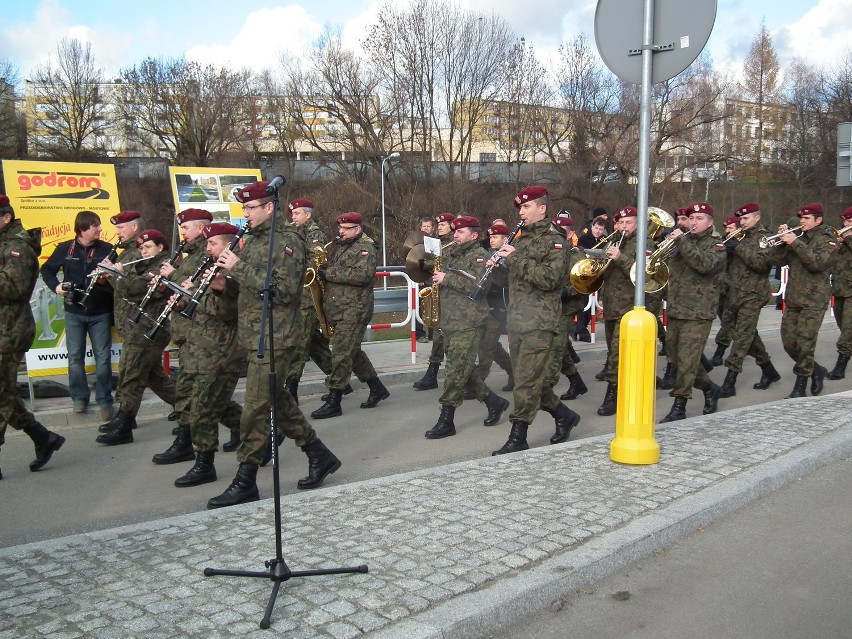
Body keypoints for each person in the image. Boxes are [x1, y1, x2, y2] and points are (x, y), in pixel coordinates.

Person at [208, 180, 342, 508]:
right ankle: (318, 454)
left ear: (269, 207)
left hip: (277, 335)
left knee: (254, 406)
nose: (245, 215)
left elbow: (283, 290)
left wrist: (240, 268)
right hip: (254, 333)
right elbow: (252, 287)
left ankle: (246, 479)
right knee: (277, 400)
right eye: (244, 209)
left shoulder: (286, 240)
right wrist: (223, 284)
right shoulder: (252, 241)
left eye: (251, 208)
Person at [490, 186, 581, 454]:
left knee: (527, 382)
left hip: (540, 321)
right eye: (520, 207)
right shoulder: (520, 239)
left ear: (542, 209)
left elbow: (550, 279)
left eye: (526, 207)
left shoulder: (555, 240)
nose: (521, 212)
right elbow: (509, 280)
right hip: (518, 319)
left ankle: (519, 435)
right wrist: (497, 267)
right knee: (527, 381)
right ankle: (563, 415)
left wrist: (515, 258)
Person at [151, 208, 242, 463]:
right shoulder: (204, 264)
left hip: (219, 348)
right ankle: (258, 432)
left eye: (212, 243)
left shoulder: (230, 271)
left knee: (205, 405)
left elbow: (224, 311)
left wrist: (192, 293)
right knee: (195, 399)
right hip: (196, 341)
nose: (208, 248)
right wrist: (180, 301)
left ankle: (204, 461)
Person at [423, 215, 510, 439]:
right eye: (455, 232)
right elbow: (437, 274)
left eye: (460, 232)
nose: (456, 235)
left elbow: (479, 287)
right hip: (450, 321)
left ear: (474, 235)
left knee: (454, 373)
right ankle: (494, 402)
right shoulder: (450, 254)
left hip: (469, 322)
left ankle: (446, 420)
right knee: (465, 371)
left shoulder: (479, 256)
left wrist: (446, 279)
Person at [0, 195, 65, 479]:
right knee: (5, 393)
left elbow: (14, 287)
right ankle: (42, 437)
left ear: (5, 217)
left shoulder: (18, 247)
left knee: (1, 395)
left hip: (9, 331)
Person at [96, 220, 177, 444]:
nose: (143, 251)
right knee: (154, 378)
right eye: (141, 248)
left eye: (148, 247)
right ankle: (189, 408)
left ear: (160, 248)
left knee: (132, 376)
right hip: (137, 329)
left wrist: (115, 274)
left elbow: (135, 289)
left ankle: (124, 424)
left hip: (150, 329)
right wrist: (111, 276)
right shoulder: (142, 265)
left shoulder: (161, 266)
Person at [310, 211, 390, 419]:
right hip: (341, 307)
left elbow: (363, 275)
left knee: (341, 353)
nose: (341, 232)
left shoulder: (366, 247)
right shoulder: (343, 246)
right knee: (352, 352)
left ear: (357, 229)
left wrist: (329, 274)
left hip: (355, 309)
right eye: (340, 228)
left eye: (346, 229)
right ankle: (377, 388)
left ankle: (334, 399)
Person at [40, 210, 116, 420]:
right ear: (83, 228)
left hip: (100, 311)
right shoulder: (65, 248)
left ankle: (104, 401)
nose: (100, 229)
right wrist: (56, 287)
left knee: (103, 358)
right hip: (74, 311)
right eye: (96, 226)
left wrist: (108, 279)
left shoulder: (107, 249)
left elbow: (118, 278)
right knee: (75, 358)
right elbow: (47, 270)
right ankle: (79, 399)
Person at [659, 202, 726, 422]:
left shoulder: (717, 245)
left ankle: (680, 405)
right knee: (679, 360)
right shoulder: (681, 243)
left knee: (687, 361)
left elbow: (704, 265)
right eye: (692, 218)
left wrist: (682, 241)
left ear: (710, 222)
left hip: (699, 312)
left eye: (699, 218)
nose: (694, 222)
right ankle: (709, 389)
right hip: (677, 309)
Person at [765, 202, 837, 398]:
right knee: (789, 343)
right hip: (794, 298)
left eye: (806, 219)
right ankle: (816, 370)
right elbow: (776, 261)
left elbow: (817, 263)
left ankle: (801, 384)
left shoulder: (827, 240)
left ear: (818, 220)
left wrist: (795, 242)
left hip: (814, 299)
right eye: (801, 218)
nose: (802, 222)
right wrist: (781, 241)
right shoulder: (798, 238)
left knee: (805, 343)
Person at [717, 203, 781, 397]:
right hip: (734, 294)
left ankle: (730, 381)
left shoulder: (764, 238)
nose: (742, 222)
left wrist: (739, 247)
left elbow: (762, 265)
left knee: (743, 337)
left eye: (745, 219)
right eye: (741, 219)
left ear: (757, 218)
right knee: (744, 334)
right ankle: (769, 370)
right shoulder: (738, 236)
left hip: (752, 295)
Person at [286, 198, 335, 404]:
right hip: (298, 296)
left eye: (297, 214)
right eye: (292, 214)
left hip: (309, 298)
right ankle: (339, 379)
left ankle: (291, 390)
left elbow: (314, 264)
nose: (293, 217)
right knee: (315, 345)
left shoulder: (314, 234)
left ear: (308, 215)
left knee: (299, 344)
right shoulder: (295, 232)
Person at [596, 206, 640, 416]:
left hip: (629, 308)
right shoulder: (613, 241)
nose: (623, 227)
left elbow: (643, 272)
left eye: (628, 223)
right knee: (616, 353)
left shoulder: (643, 243)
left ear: (637, 224)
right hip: (611, 306)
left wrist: (619, 257)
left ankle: (612, 395)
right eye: (620, 223)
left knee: (616, 356)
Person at [545, 214, 588, 403]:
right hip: (550, 308)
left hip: (566, 307)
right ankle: (576, 381)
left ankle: (545, 390)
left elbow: (581, 283)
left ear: (571, 235)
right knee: (560, 349)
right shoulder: (550, 253)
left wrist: (561, 292)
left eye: (562, 233)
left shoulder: (576, 255)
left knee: (555, 348)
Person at [412, 212, 455, 390]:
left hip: (451, 295)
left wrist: (427, 264)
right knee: (438, 334)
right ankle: (432, 374)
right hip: (438, 292)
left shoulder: (455, 242)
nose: (440, 227)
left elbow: (445, 264)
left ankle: (469, 377)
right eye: (439, 224)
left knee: (448, 338)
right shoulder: (436, 241)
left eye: (444, 224)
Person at [473, 222, 514, 392]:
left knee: (486, 347)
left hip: (501, 308)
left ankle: (477, 384)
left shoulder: (510, 256)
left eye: (495, 237)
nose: (491, 240)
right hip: (486, 307)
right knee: (493, 347)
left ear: (505, 239)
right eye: (490, 237)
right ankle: (514, 373)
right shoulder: (489, 254)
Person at [708, 215, 741, 366]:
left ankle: (719, 353)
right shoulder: (724, 240)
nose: (727, 231)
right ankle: (764, 363)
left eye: (731, 228)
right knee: (734, 324)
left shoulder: (741, 243)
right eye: (726, 228)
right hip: (721, 287)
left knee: (728, 322)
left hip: (736, 289)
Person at [574, 215, 608, 344]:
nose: (598, 231)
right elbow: (580, 254)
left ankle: (578, 329)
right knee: (584, 304)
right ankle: (582, 331)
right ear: (592, 227)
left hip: (597, 276)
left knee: (593, 305)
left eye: (601, 229)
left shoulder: (605, 240)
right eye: (596, 228)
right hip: (585, 275)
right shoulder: (583, 239)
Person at [828, 206, 852, 380]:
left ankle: (839, 368)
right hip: (840, 290)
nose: (845, 225)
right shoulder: (843, 242)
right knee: (843, 326)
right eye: (844, 221)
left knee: (848, 332)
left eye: (849, 221)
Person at [415, 216, 436, 343]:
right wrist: (417, 276)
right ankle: (419, 334)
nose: (426, 228)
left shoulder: (437, 241)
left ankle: (433, 334)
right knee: (420, 307)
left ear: (433, 228)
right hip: (421, 278)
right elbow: (412, 261)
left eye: (428, 226)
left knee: (434, 307)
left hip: (433, 278)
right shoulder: (415, 241)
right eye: (424, 226)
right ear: (420, 227)